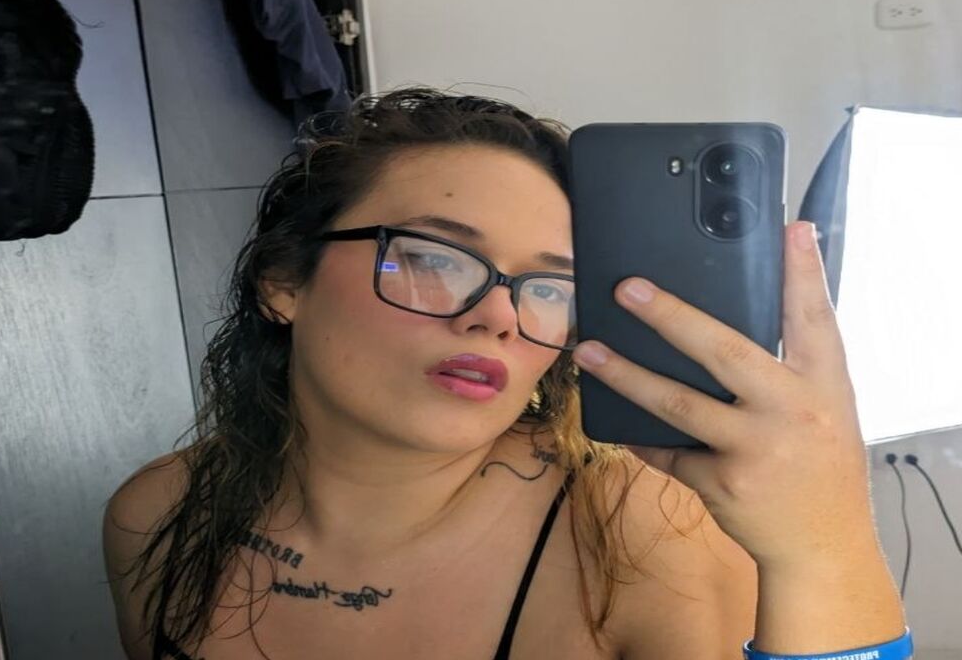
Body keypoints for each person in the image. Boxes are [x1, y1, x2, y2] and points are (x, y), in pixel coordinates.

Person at [102, 88, 909, 659]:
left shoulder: (641, 538)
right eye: (434, 258)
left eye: (548, 287)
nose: (496, 315)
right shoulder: (156, 517)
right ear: (283, 280)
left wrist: (826, 548)